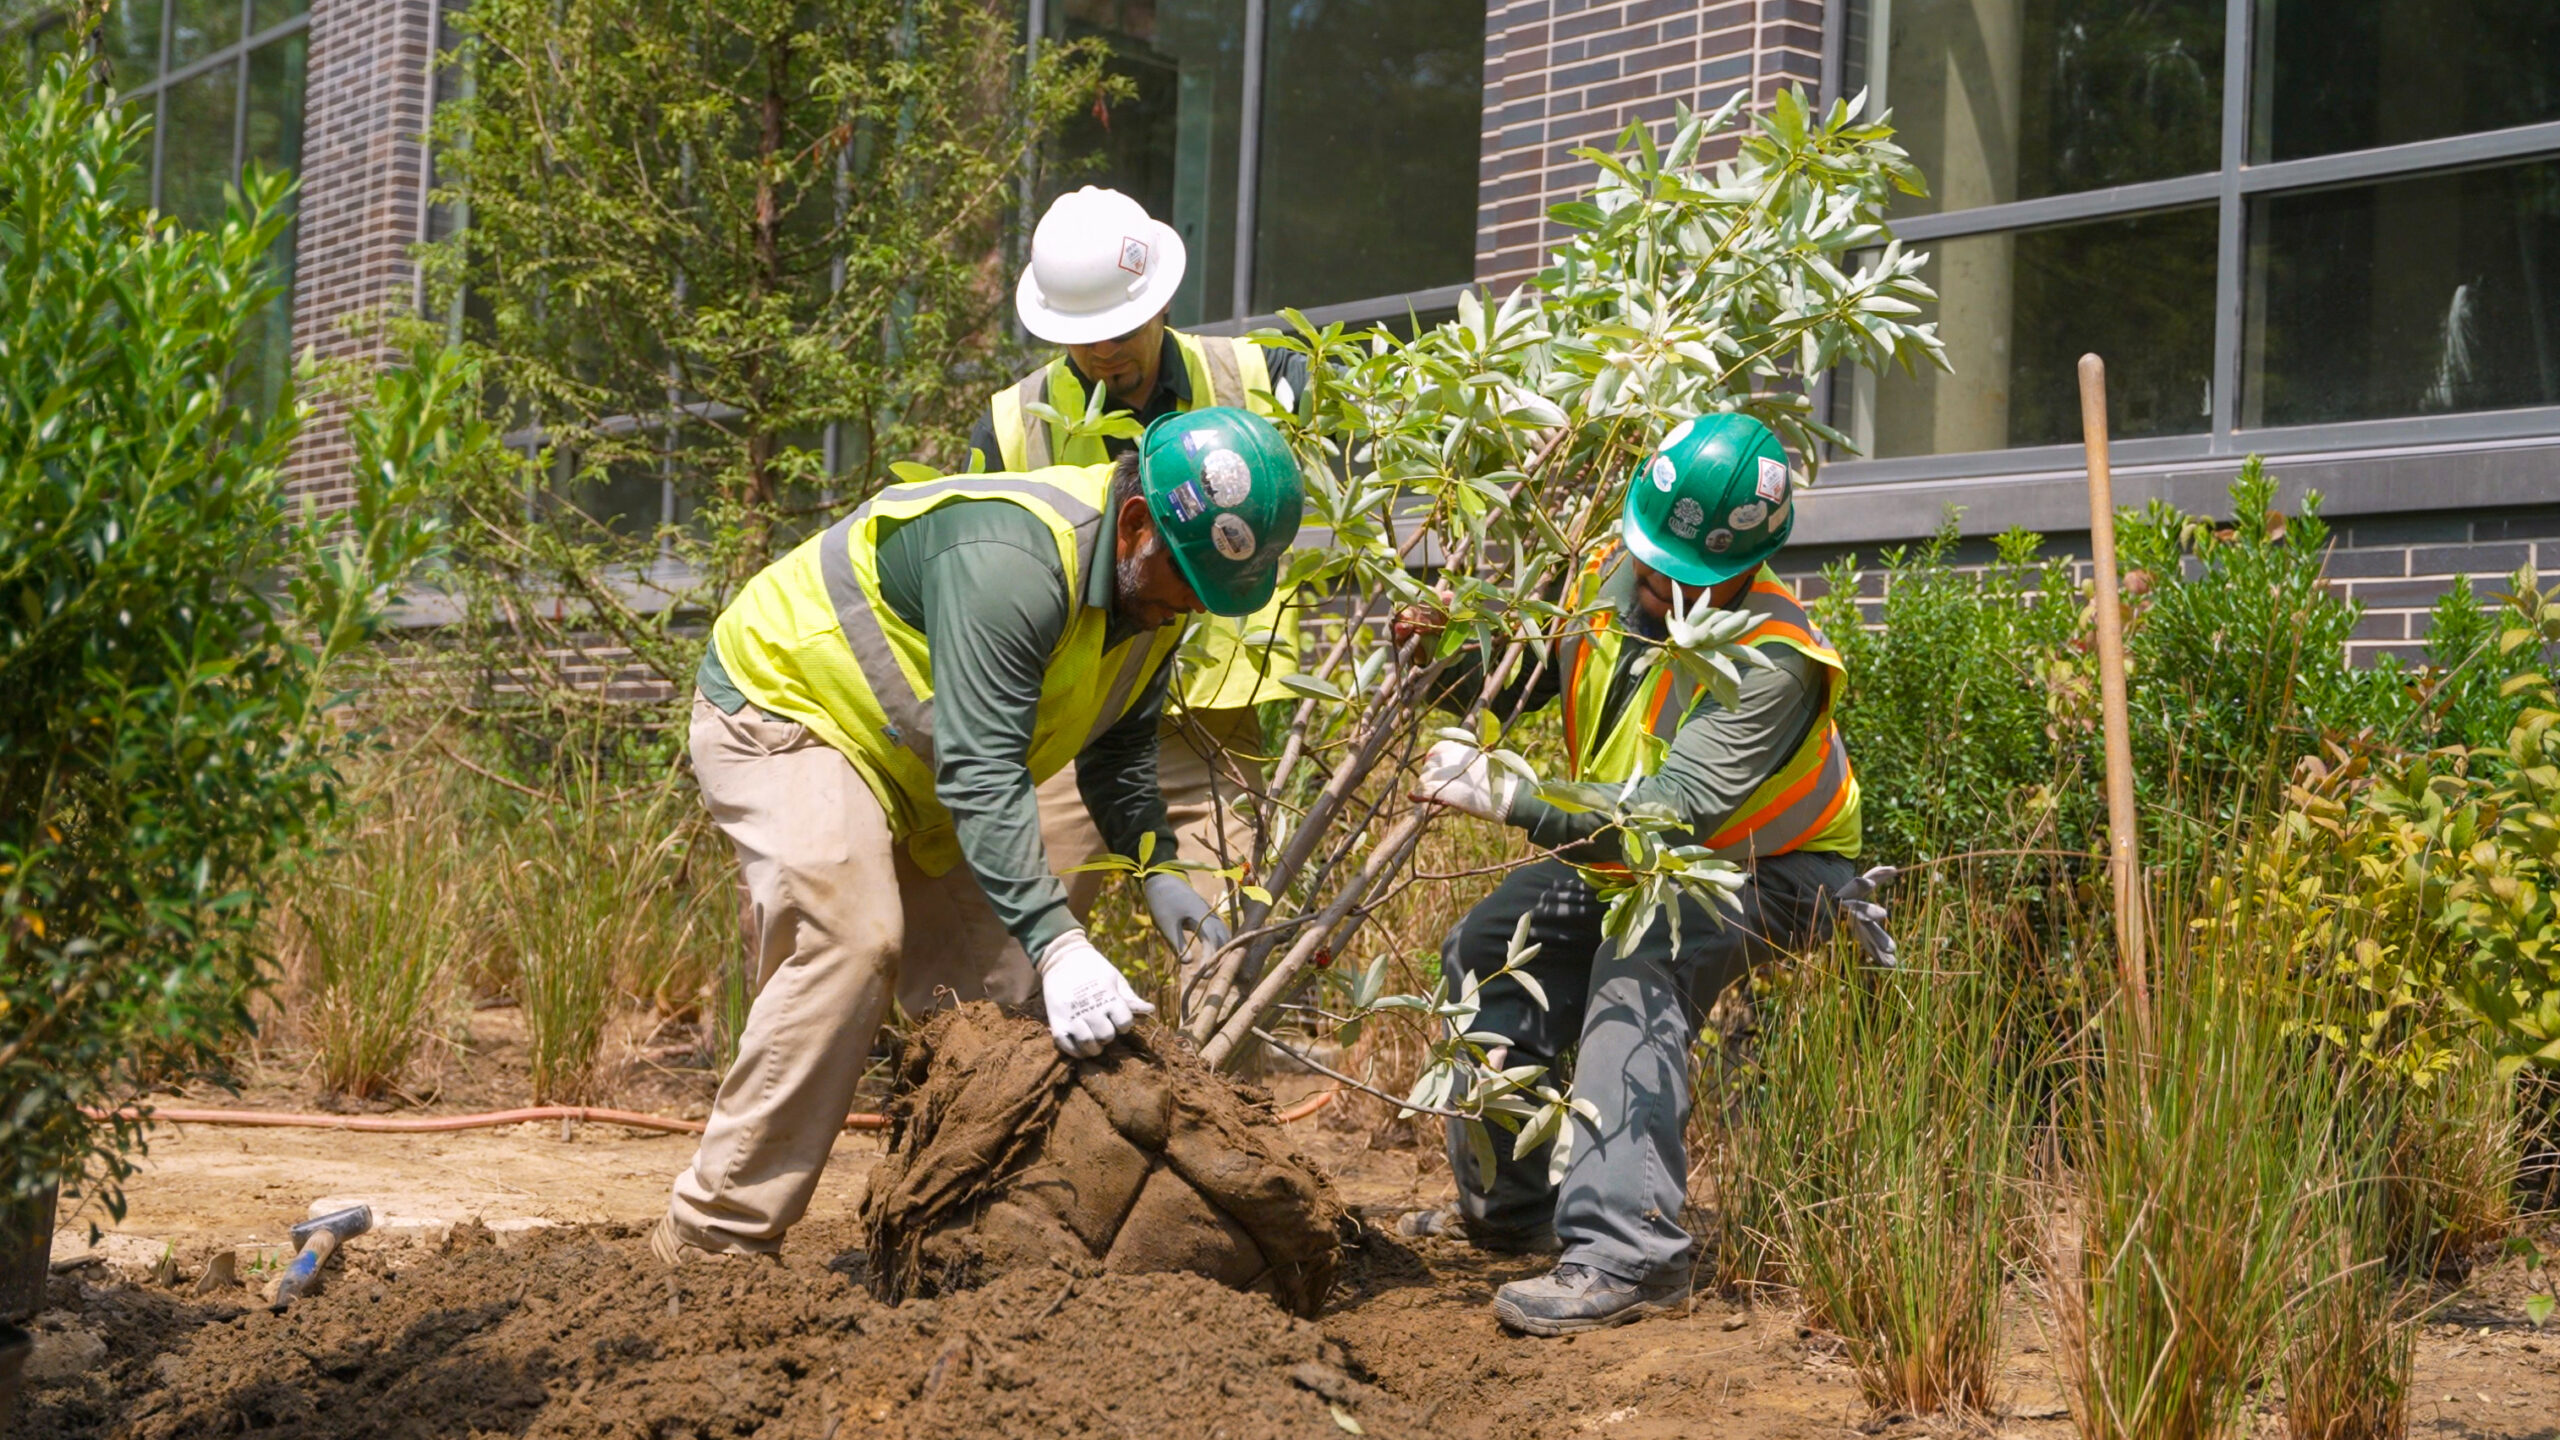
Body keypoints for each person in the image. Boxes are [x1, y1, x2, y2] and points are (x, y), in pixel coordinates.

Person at [653, 406, 1304, 1264]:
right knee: (851, 940)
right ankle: (714, 1241)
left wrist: (1157, 868)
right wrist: (1059, 938)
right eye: (1186, 581)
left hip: (913, 758)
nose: (1190, 606)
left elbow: (1116, 747)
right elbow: (984, 770)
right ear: (1138, 520)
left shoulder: (1155, 589)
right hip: (791, 709)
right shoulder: (1015, 562)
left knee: (998, 1000)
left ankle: (954, 1240)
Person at [1401, 412, 1879, 1336]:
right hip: (1631, 855)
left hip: (1775, 866)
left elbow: (1671, 819)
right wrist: (1438, 664)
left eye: (1690, 574)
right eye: (1652, 557)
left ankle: (1629, 1253)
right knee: (1490, 947)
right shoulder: (1602, 578)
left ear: (1751, 561)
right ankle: (1513, 1210)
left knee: (1643, 957)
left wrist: (1514, 796)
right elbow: (1522, 678)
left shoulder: (1776, 656)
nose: (1661, 584)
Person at [978, 186, 1307, 933]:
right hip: (1069, 716)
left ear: (1160, 301)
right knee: (1018, 947)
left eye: (1121, 326)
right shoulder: (1008, 425)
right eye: (1083, 334)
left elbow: (1377, 452)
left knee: (1223, 948)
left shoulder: (1268, 379)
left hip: (1209, 721)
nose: (1103, 351)